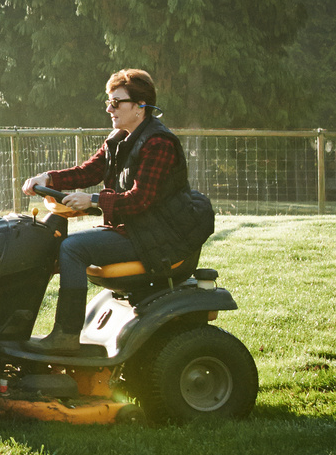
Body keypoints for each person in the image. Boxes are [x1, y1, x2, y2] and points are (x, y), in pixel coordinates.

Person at [18, 68, 216, 352]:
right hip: (137, 230)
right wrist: (48, 179)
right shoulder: (119, 138)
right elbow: (89, 170)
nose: (110, 108)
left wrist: (94, 200)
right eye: (108, 102)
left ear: (140, 107)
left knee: (73, 248)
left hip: (157, 239)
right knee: (47, 241)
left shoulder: (158, 143)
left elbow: (140, 199)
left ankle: (65, 337)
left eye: (117, 102)